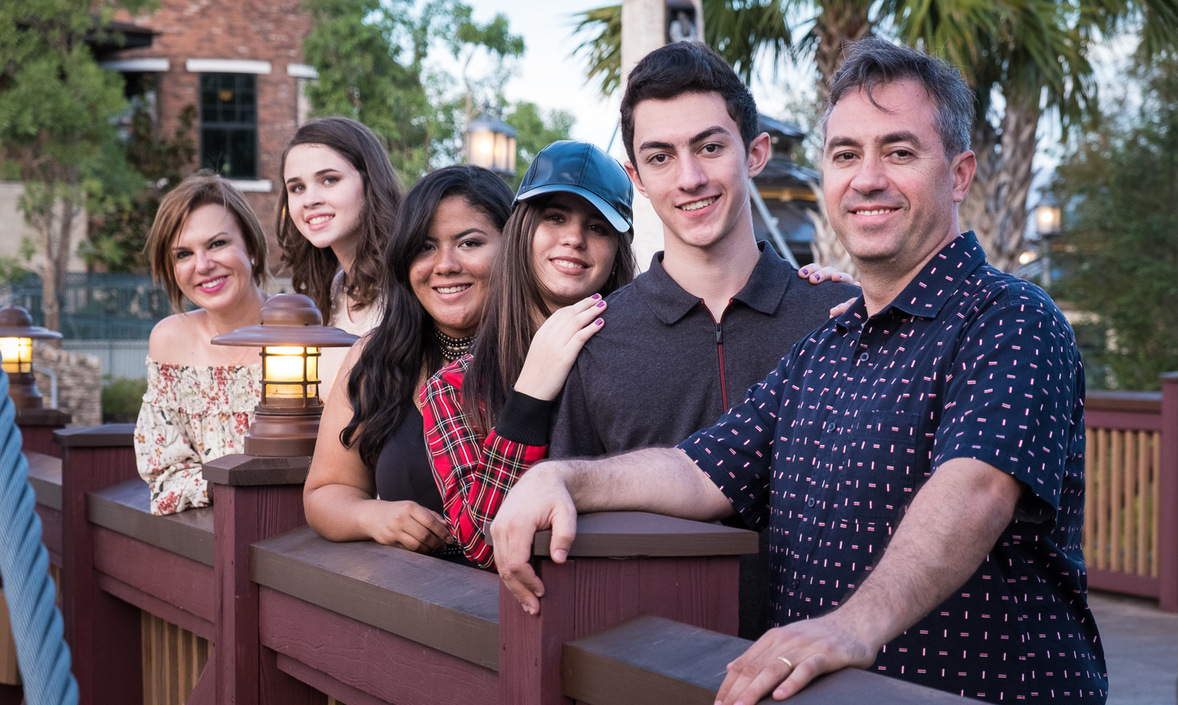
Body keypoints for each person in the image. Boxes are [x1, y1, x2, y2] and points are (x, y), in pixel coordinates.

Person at [491, 37, 1108, 705]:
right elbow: (701, 470)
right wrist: (565, 481)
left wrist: (853, 626)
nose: (867, 178)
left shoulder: (1010, 318)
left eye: (899, 152)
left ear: (959, 173)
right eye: (846, 155)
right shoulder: (827, 347)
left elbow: (977, 489)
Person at [548, 40, 859, 637]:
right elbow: (570, 535)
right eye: (660, 157)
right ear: (637, 178)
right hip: (653, 674)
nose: (689, 178)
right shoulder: (596, 337)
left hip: (830, 682)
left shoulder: (839, 318)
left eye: (710, 147)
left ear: (756, 151)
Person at [421, 141, 636, 569]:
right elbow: (480, 545)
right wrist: (530, 395)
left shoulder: (643, 351)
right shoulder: (453, 387)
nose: (574, 238)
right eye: (554, 217)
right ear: (522, 231)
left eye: (597, 227)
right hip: (521, 614)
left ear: (616, 250)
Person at [303, 165, 514, 554]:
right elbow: (326, 492)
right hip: (410, 596)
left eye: (469, 243)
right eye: (425, 247)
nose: (445, 264)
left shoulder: (545, 352)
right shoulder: (375, 359)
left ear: (513, 246)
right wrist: (374, 516)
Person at [135, 172, 270, 515]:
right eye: (183, 254)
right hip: (211, 539)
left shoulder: (306, 335)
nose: (203, 265)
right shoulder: (170, 342)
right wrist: (231, 489)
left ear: (251, 248)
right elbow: (165, 476)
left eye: (217, 244)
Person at [276, 116, 403, 387]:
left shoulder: (406, 282)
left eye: (329, 180)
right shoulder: (330, 291)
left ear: (371, 182)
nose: (310, 200)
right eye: (297, 188)